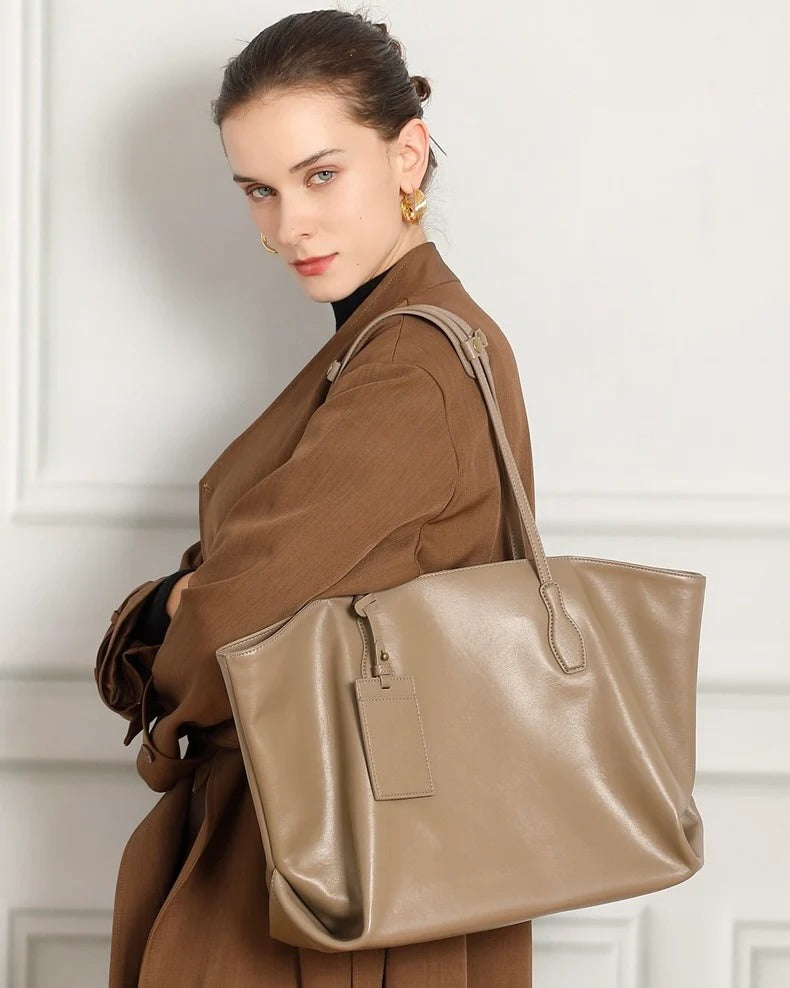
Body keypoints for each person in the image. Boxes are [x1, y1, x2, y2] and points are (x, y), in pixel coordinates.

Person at [95, 8, 536, 987]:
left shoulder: (412, 365)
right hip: (341, 855)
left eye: (320, 174)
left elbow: (233, 612)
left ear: (406, 155)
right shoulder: (386, 344)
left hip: (325, 888)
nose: (287, 224)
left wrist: (160, 613)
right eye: (259, 189)